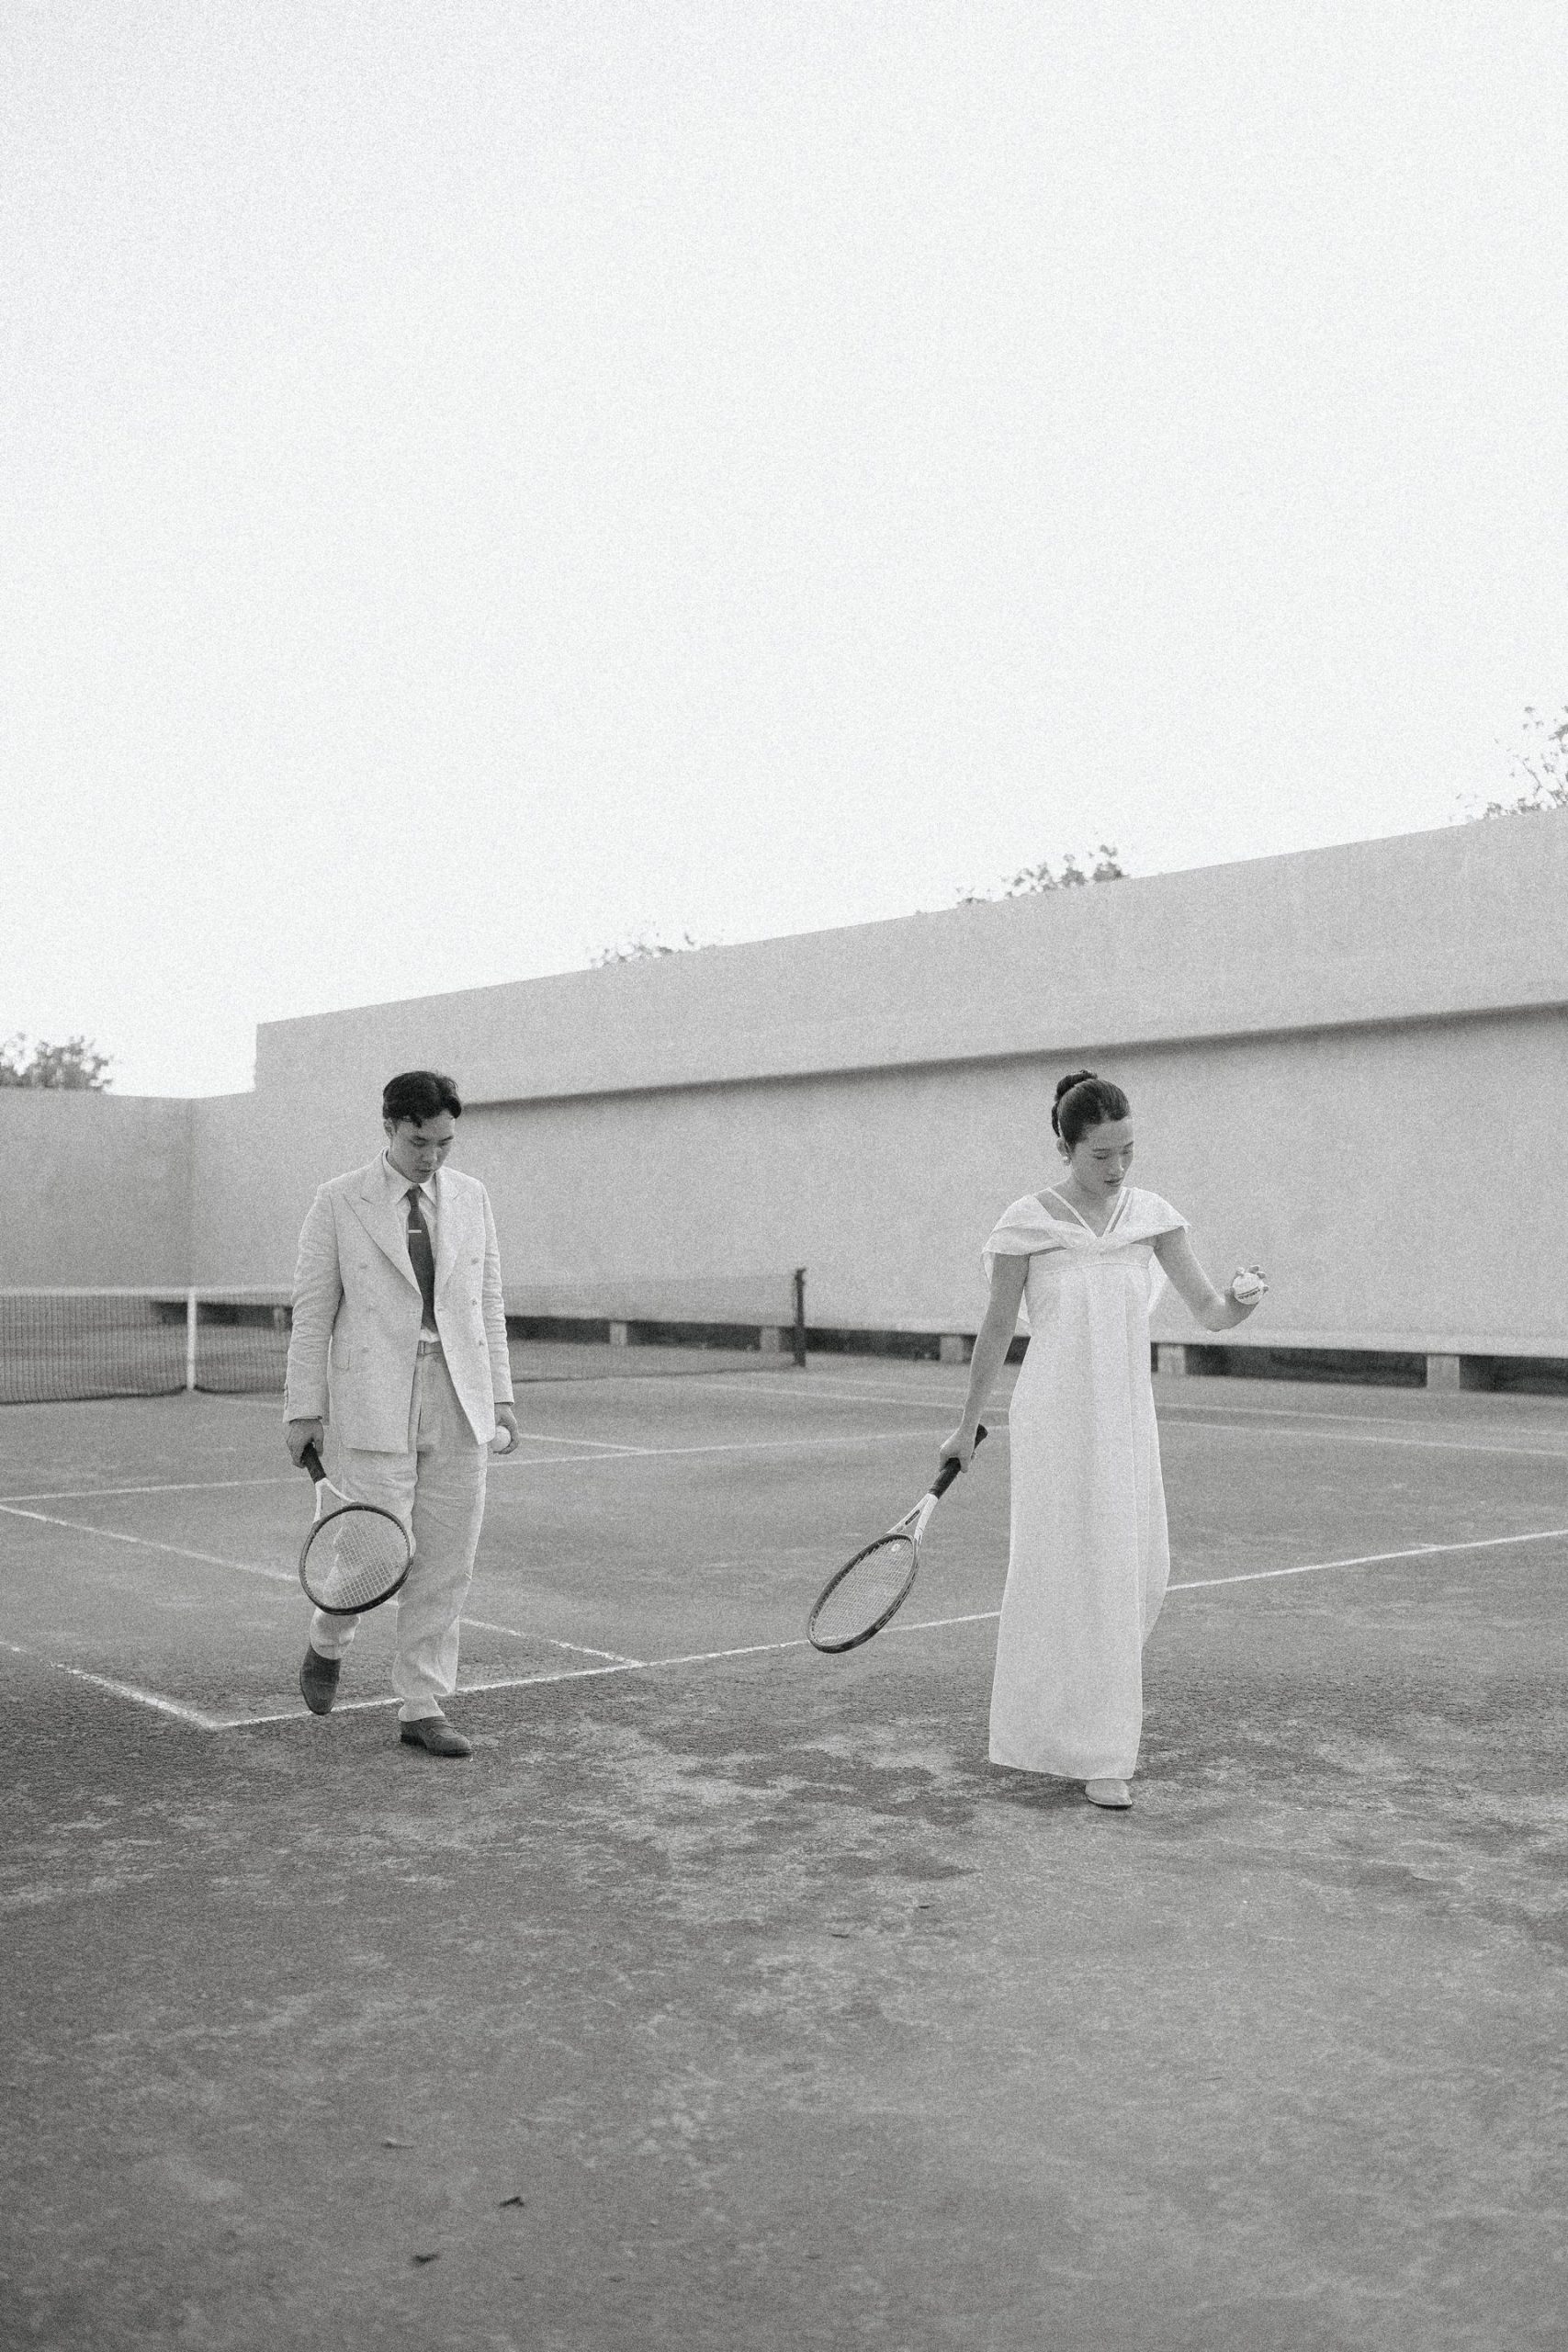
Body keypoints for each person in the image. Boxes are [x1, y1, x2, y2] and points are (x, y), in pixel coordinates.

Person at [938, 1070, 1268, 1811]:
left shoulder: (1153, 1217)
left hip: (1127, 1418)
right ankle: (1099, 1752)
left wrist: (1245, 1300)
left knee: (1140, 1572)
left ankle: (1082, 1723)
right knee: (1070, 1574)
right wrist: (965, 1425)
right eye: (1099, 1155)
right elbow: (995, 1331)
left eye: (1126, 1150)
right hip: (1055, 1418)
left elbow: (1211, 1314)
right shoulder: (1025, 1222)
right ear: (1064, 1147)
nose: (1115, 1168)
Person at [284, 1069, 521, 1758]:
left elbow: (487, 1304)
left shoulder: (472, 1197)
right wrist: (304, 1410)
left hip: (459, 1396)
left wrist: (500, 1396)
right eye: (420, 1141)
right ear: (389, 1127)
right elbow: (312, 1313)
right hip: (372, 1399)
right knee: (373, 1552)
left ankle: (422, 1705)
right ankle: (328, 1639)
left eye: (444, 1143)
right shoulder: (336, 1201)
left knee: (446, 1560)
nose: (432, 1156)